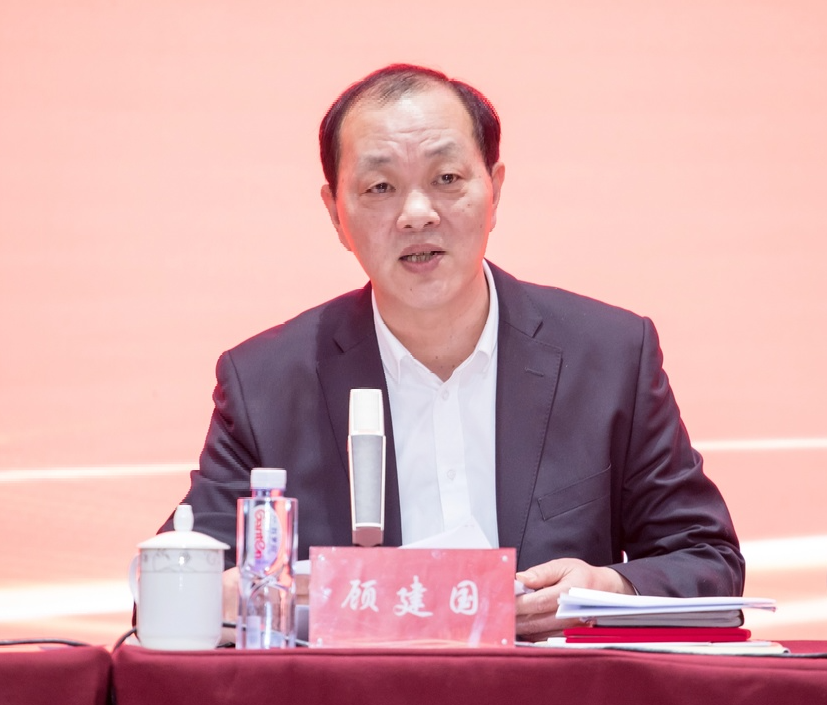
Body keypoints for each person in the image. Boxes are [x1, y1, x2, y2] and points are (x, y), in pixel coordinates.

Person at [159, 63, 744, 640]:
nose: (418, 214)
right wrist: (249, 595)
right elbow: (172, 583)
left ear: (495, 191)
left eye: (446, 178)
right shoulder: (266, 383)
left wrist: (604, 590)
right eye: (380, 187)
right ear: (335, 213)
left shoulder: (610, 356)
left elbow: (708, 562)